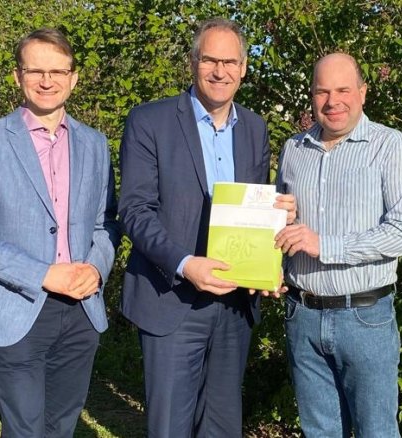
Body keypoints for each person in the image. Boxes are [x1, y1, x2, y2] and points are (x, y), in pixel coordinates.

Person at [118, 18, 295, 437]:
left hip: (234, 306)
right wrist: (184, 264)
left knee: (222, 427)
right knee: (170, 428)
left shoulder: (254, 128)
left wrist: (276, 227)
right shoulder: (149, 121)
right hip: (172, 300)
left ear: (244, 68)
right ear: (193, 62)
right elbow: (135, 210)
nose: (220, 71)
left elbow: (253, 207)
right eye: (210, 60)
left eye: (230, 61)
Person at [0, 28, 119, 437]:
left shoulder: (95, 144)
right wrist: (41, 274)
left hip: (81, 311)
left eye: (58, 70)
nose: (47, 81)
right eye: (36, 70)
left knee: (61, 427)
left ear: (73, 78)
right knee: (23, 429)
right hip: (17, 307)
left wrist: (96, 270)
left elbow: (106, 222)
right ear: (17, 76)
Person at [274, 53, 402, 438]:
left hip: (365, 316)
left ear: (363, 92)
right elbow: (278, 223)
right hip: (302, 314)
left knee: (377, 432)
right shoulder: (294, 150)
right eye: (322, 91)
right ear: (311, 96)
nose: (332, 101)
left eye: (343, 89)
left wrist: (325, 245)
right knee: (318, 431)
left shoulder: (389, 146)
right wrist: (270, 263)